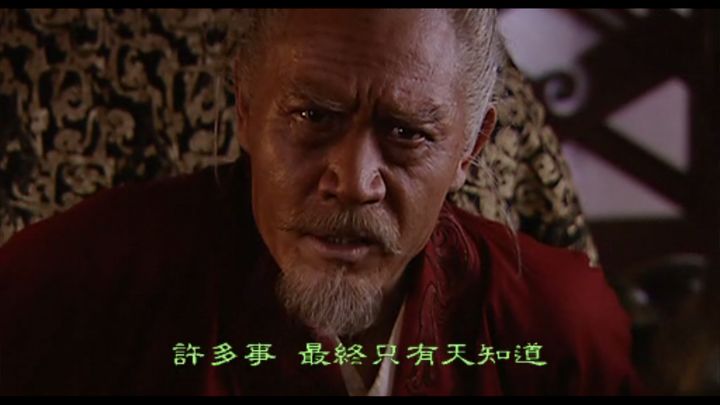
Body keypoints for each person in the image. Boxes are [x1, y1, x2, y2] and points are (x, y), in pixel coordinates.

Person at [0, 9, 644, 395]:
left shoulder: (552, 325)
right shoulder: (77, 286)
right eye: (312, 116)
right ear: (246, 109)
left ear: (470, 148)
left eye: (407, 133)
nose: (355, 181)